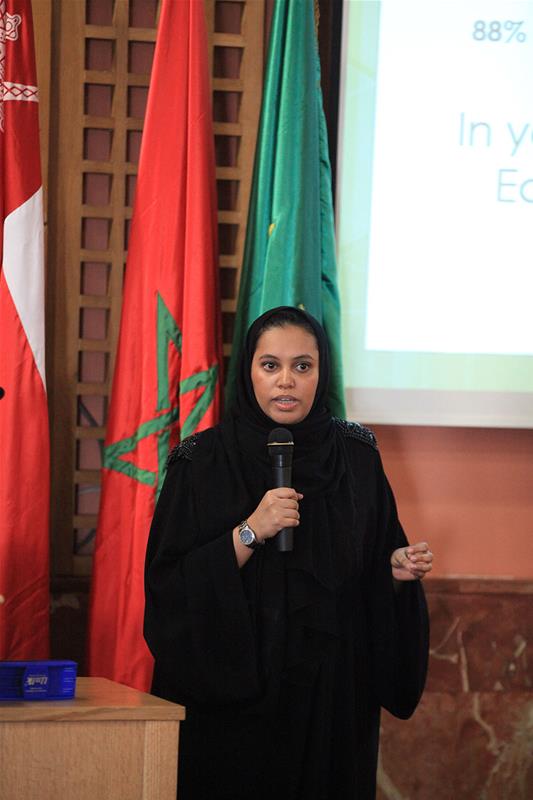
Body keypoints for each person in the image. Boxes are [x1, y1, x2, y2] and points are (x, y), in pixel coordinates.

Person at [144, 306, 432, 800]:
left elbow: (377, 559)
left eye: (303, 366)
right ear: (248, 371)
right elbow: (170, 588)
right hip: (233, 701)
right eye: (270, 365)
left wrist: (394, 572)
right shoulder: (201, 461)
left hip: (332, 698)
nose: (286, 381)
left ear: (322, 373)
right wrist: (250, 531)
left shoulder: (357, 456)